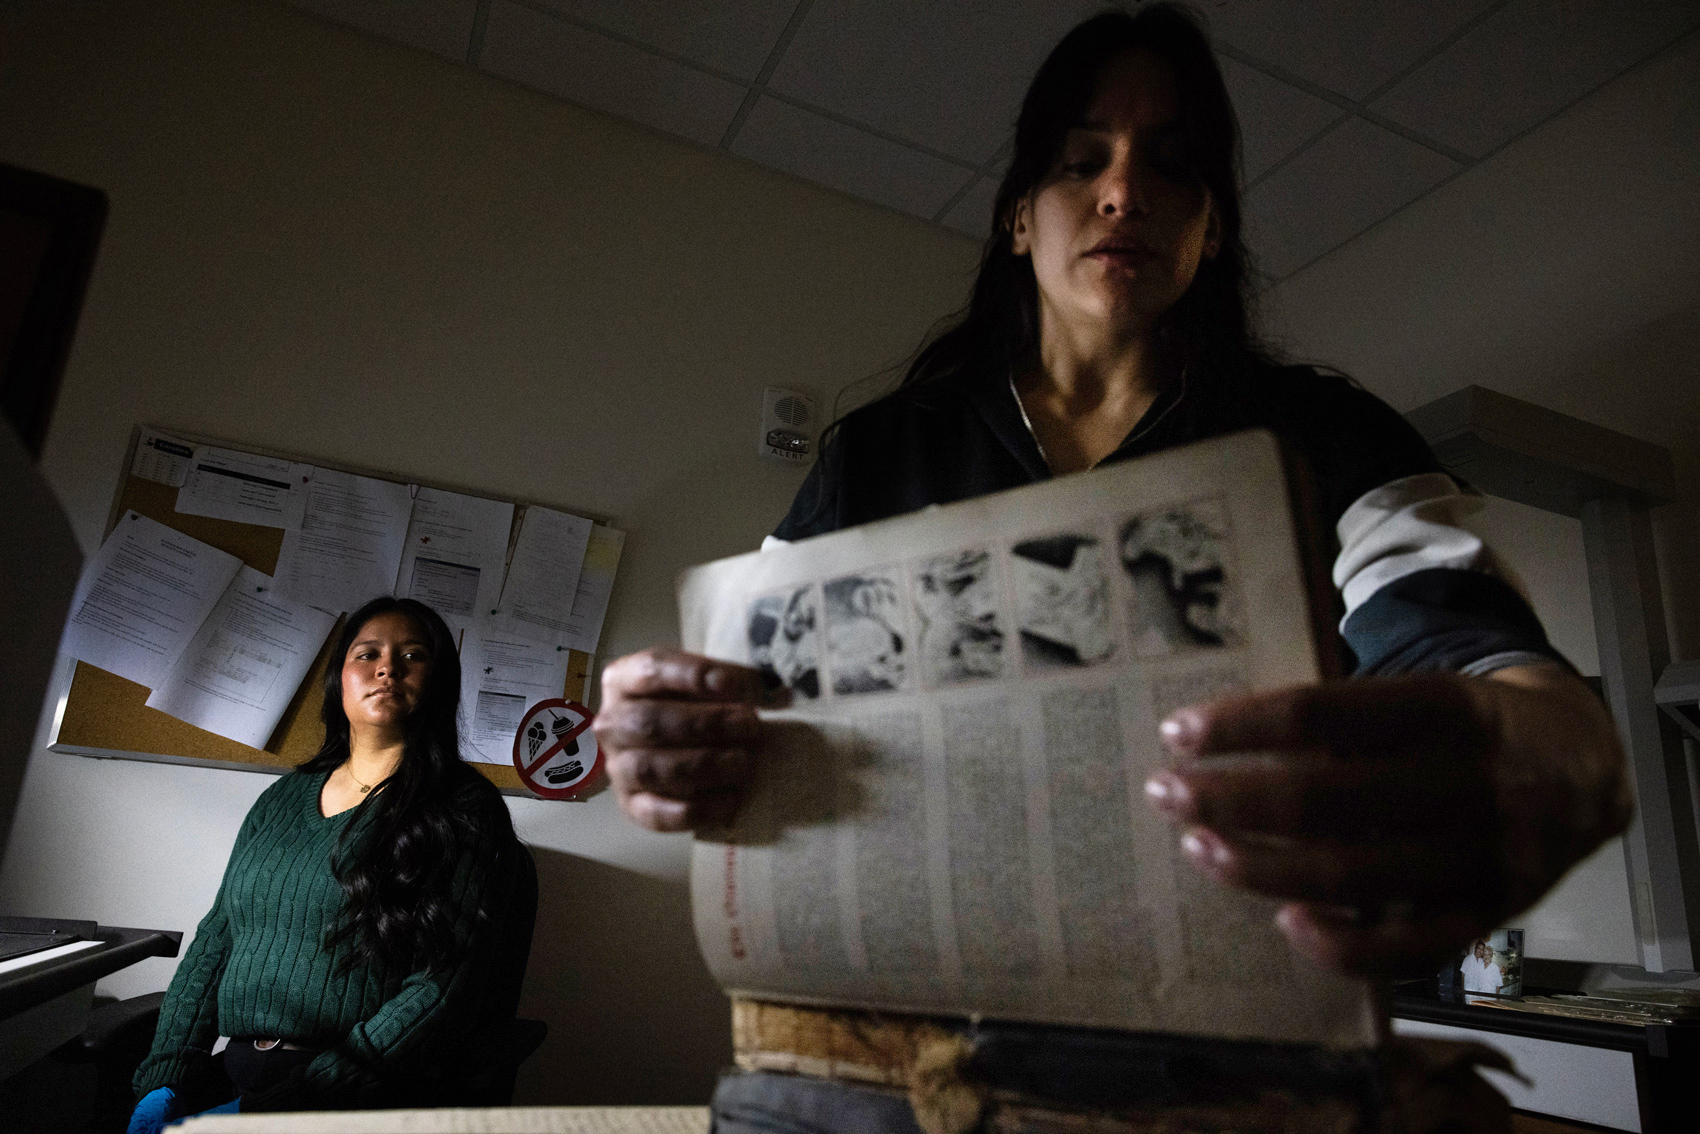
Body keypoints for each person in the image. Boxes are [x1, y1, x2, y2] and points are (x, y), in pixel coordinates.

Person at [598, 5, 1628, 1129]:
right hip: (871, 1069)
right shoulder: (883, 452)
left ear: (1212, 227)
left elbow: (1457, 633)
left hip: (1209, 1085)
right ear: (1013, 218)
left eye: (1171, 167)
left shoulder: (1321, 438)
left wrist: (1551, 739)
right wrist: (664, 734)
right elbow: (737, 695)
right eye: (1080, 161)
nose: (1124, 193)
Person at [128, 597, 524, 1130]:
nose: (388, 667)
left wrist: (287, 1105)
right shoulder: (282, 799)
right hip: (240, 1072)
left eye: (413, 655)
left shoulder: (465, 808)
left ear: (440, 681)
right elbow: (217, 940)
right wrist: (165, 1078)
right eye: (368, 654)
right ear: (339, 678)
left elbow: (442, 990)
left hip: (360, 1092)